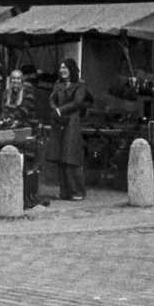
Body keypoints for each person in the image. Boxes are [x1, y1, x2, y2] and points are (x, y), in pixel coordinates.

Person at [45, 57, 93, 201]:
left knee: (71, 157)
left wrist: (61, 110)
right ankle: (64, 191)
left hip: (72, 122)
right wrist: (55, 109)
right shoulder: (58, 84)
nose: (62, 70)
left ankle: (77, 191)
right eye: (61, 68)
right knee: (60, 157)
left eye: (65, 67)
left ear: (71, 69)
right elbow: (52, 99)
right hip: (59, 122)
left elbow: (78, 102)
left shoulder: (80, 85)